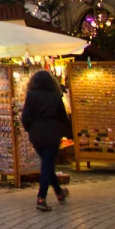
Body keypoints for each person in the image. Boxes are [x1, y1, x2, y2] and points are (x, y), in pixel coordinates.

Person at [20, 70, 70, 211]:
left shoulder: (31, 96)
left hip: (37, 134)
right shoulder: (55, 96)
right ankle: (41, 198)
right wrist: (63, 131)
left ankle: (59, 192)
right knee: (47, 165)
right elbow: (63, 117)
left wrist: (30, 129)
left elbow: (25, 117)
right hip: (52, 133)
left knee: (47, 164)